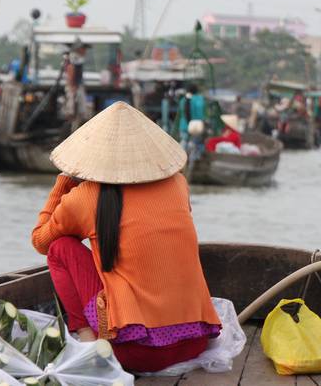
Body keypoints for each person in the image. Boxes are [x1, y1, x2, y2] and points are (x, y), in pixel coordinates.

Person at [31, 102, 221, 372]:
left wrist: (62, 183)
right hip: (195, 342)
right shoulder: (178, 184)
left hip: (135, 353)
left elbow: (40, 241)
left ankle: (87, 340)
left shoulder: (86, 197)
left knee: (60, 247)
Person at [64, 38, 90, 130]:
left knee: (79, 111)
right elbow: (71, 69)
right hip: (74, 86)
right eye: (84, 48)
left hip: (76, 85)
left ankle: (75, 127)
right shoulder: (74, 57)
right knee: (73, 109)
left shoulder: (77, 57)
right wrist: (73, 86)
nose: (85, 51)